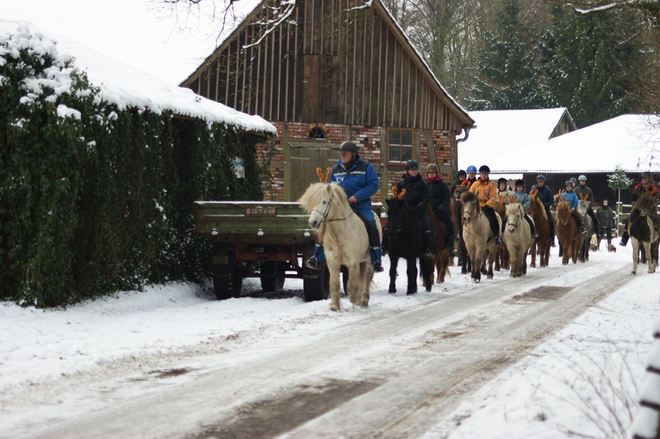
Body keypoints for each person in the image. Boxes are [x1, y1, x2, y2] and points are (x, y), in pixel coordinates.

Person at [305, 141, 383, 272]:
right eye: (341, 154)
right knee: (324, 224)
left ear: (353, 154)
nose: (342, 157)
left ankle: (376, 259)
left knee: (371, 224)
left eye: (345, 154)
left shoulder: (366, 167)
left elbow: (373, 185)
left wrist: (357, 197)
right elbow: (330, 189)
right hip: (340, 206)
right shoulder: (336, 168)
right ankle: (316, 258)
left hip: (361, 205)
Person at [396, 160, 436, 259]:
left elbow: (427, 197)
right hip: (405, 209)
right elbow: (397, 196)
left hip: (419, 209)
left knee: (427, 225)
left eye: (415, 170)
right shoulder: (401, 182)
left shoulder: (422, 183)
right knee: (392, 224)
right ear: (407, 171)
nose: (414, 171)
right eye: (412, 170)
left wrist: (419, 207)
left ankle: (429, 249)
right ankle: (388, 247)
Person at [620, 172, 659, 246]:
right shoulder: (638, 187)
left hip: (650, 209)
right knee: (629, 220)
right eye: (643, 179)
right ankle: (624, 239)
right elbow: (633, 197)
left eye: (645, 179)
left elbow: (656, 198)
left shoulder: (653, 189)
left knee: (657, 220)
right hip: (639, 208)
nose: (644, 180)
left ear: (648, 179)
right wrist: (634, 203)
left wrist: (653, 203)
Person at [426, 163, 456, 258]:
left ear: (436, 173)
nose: (431, 174)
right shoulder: (423, 184)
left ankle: (451, 247)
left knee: (449, 223)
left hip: (440, 210)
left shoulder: (442, 184)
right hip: (427, 210)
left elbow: (446, 199)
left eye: (433, 173)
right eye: (429, 173)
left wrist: (440, 209)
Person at [468, 165, 502, 246]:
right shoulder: (475, 184)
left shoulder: (491, 185)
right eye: (482, 174)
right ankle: (462, 234)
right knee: (466, 216)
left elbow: (493, 197)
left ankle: (496, 236)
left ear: (487, 175)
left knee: (494, 219)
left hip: (486, 207)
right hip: (476, 207)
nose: (483, 175)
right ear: (480, 174)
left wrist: (487, 205)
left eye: (485, 174)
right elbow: (470, 195)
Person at [534, 175, 556, 245]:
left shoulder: (548, 190)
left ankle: (552, 239)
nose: (540, 183)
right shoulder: (534, 190)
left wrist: (544, 205)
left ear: (544, 182)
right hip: (536, 211)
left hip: (545, 210)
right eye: (539, 182)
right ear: (537, 182)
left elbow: (551, 200)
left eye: (541, 182)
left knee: (551, 222)